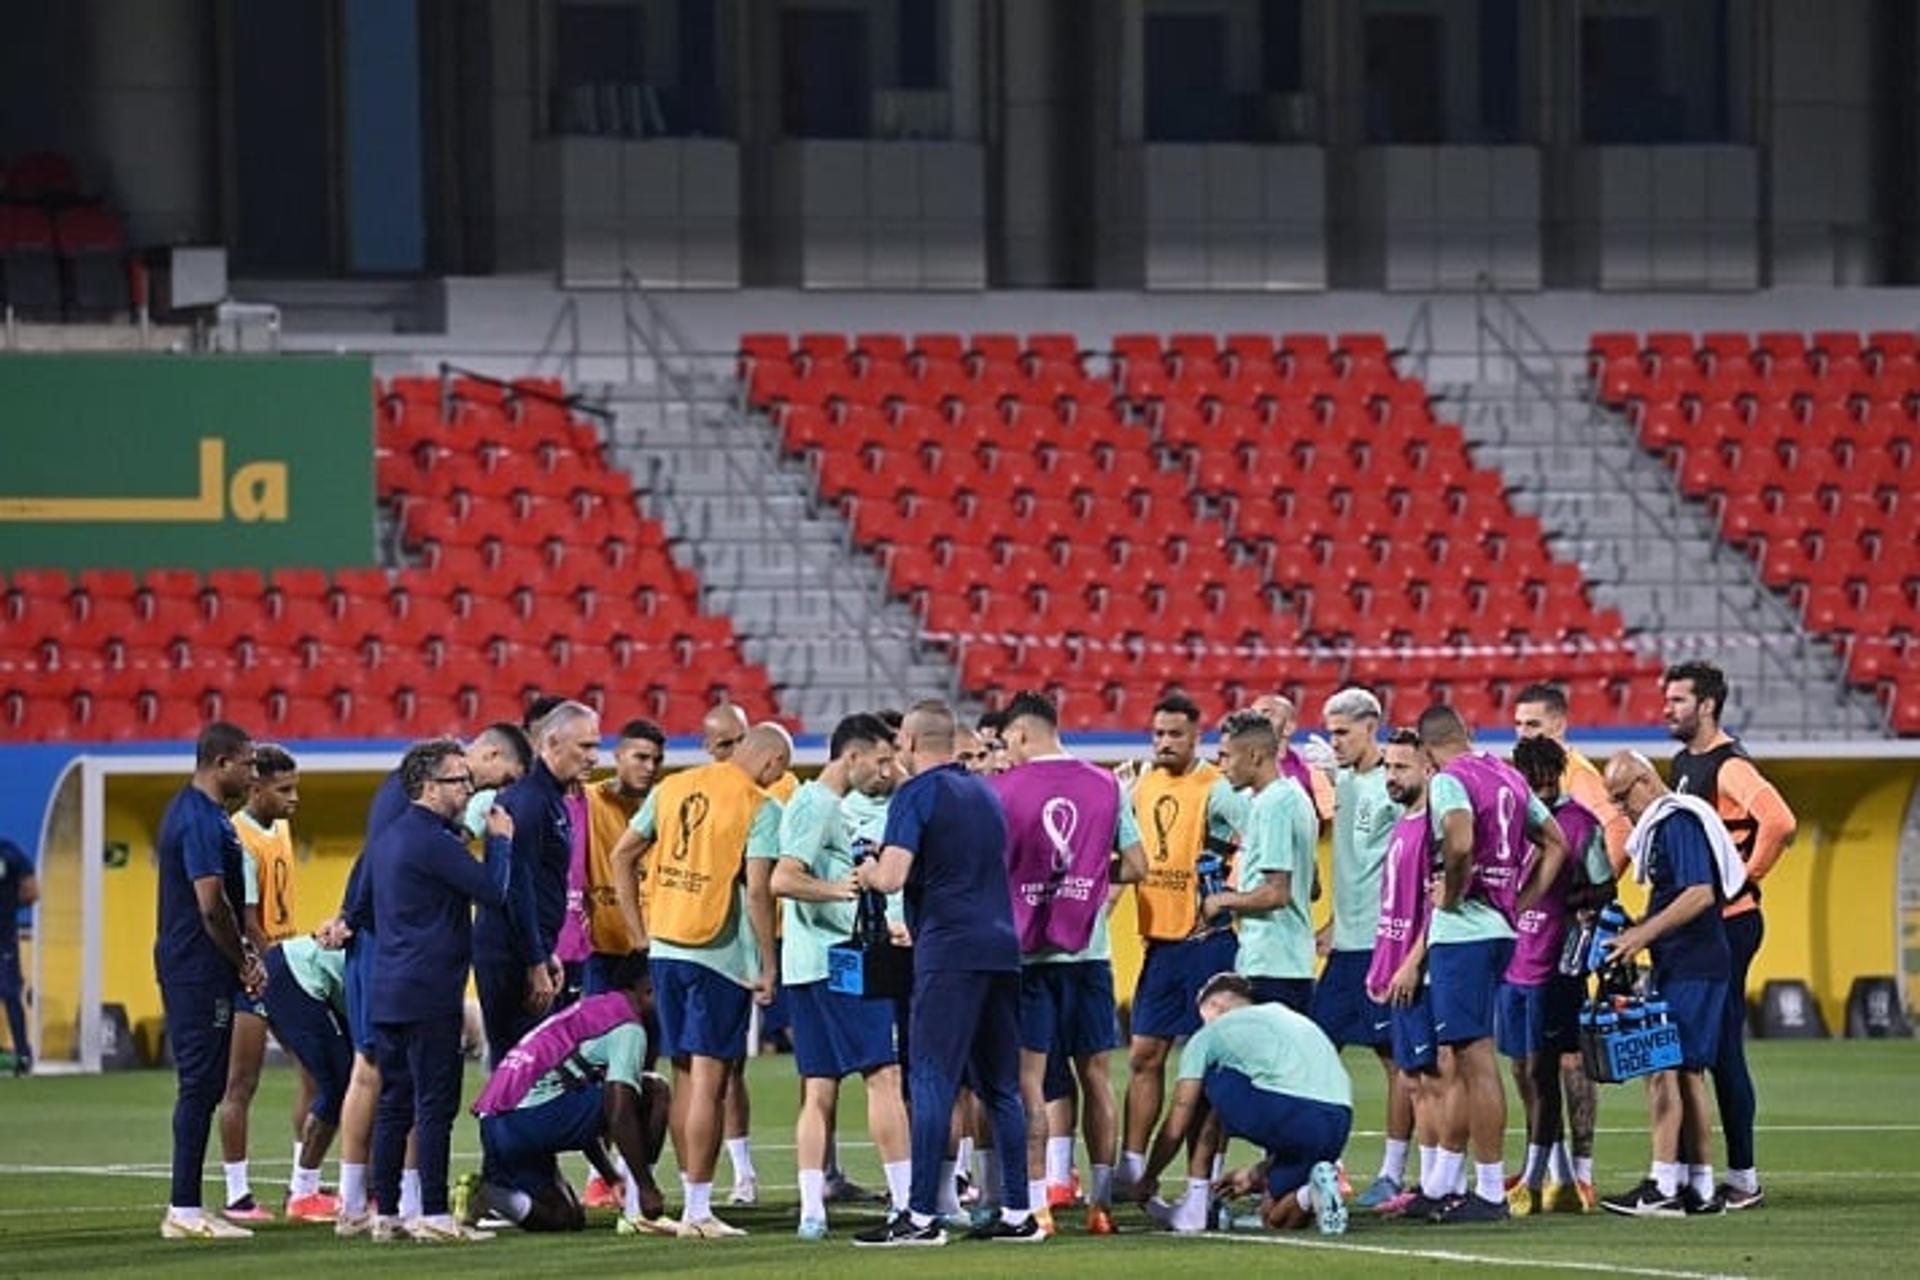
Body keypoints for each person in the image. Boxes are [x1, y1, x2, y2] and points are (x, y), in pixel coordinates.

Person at [849, 700, 1041, 1246]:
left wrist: (866, 868)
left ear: (909, 743)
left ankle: (921, 1216)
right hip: (1001, 950)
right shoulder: (984, 791)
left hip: (949, 952)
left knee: (932, 1079)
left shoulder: (917, 794)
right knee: (1000, 1086)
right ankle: (1017, 1214)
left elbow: (890, 877)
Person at [328, 723, 529, 1234]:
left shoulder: (387, 840)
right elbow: (493, 891)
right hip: (431, 990)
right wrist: (501, 842)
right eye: (458, 781)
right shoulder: (436, 842)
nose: (469, 790)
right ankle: (435, 1214)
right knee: (434, 1104)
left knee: (395, 1104)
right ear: (428, 786)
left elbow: (363, 908)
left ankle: (387, 1213)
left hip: (388, 989)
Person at [609, 723, 790, 1239]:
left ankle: (690, 1200)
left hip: (665, 946)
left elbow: (622, 854)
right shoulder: (762, 807)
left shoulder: (672, 787)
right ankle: (698, 1211)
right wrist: (769, 965)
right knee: (711, 1078)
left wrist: (638, 931)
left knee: (685, 1071)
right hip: (719, 956)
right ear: (773, 763)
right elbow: (758, 892)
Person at [993, 691, 1147, 1238]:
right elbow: (1137, 866)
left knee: (1028, 1082)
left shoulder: (1002, 790)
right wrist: (1084, 877)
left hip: (1029, 956)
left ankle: (1036, 1205)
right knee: (1098, 1077)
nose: (1004, 752)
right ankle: (1100, 1205)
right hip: (1091, 954)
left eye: (1007, 742)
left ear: (1021, 734)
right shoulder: (1107, 785)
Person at [1416, 704, 1569, 1224]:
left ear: (1425, 747)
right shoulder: (1506, 774)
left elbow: (1458, 839)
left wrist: (1454, 895)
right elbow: (1557, 843)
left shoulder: (1449, 780)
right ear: (1466, 731)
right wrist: (1520, 901)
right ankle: (1447, 1185)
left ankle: (1488, 1192)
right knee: (1460, 1059)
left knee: (1476, 1062)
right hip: (1498, 931)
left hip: (1465, 933)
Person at [762, 713, 912, 1239]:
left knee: (819, 1088)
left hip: (812, 966)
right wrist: (844, 892)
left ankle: (811, 1211)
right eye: (881, 759)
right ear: (852, 756)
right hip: (839, 966)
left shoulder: (818, 804)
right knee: (884, 1077)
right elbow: (783, 879)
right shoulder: (819, 804)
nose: (887, 769)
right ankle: (905, 1203)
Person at [1663, 660, 1797, 1210]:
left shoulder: (1728, 765)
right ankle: (1705, 1175)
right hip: (1713, 921)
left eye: (1677, 700)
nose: (1667, 708)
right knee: (1710, 1048)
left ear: (1708, 705)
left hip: (1732, 922)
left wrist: (1741, 880)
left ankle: (1738, 1179)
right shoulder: (1685, 762)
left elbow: (1780, 821)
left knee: (1719, 1049)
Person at [1599, 751, 1746, 1218]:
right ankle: (1698, 1188)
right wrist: (1640, 926)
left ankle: (1663, 1184)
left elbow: (1700, 893)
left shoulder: (1677, 822)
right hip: (1690, 961)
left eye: (1624, 797)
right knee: (1685, 1072)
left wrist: (1643, 933)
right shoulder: (1672, 821)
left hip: (1693, 963)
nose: (1623, 809)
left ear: (1645, 780)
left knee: (1663, 1067)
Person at [1117, 693, 1245, 1214]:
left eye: (1175, 734)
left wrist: (1230, 883)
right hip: (1160, 945)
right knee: (1143, 1056)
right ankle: (1128, 1170)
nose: (1164, 742)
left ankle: (1201, 1181)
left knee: (1208, 1069)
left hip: (1207, 946)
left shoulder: (1216, 787)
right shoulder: (1142, 786)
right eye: (1159, 733)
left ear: (1197, 737)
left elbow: (1256, 836)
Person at [461, 955, 671, 1236]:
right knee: (655, 1091)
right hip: (528, 1117)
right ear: (647, 988)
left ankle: (488, 1195)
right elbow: (619, 1113)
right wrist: (647, 1188)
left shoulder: (593, 1009)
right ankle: (636, 1210)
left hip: (498, 1121)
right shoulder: (627, 1026)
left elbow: (585, 1107)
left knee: (566, 1217)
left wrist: (611, 1177)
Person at [1131, 973, 1352, 1235]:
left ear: (1214, 1007)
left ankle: (1197, 1203)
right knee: (1274, 1217)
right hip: (1338, 1120)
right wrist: (1254, 1174)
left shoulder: (1210, 1034)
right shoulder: (1288, 1016)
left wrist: (1149, 1177)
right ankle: (1313, 1191)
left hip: (1288, 1111)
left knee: (1204, 1079)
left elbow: (1179, 1116)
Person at [156, 721, 265, 1241]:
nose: (253, 772)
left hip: (201, 964)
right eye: (247, 763)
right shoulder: (199, 819)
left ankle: (188, 1205)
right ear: (222, 763)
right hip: (197, 967)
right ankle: (184, 1208)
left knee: (205, 1083)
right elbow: (210, 904)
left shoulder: (202, 813)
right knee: (199, 1085)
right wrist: (243, 958)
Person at [1500, 736, 1615, 1216]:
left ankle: (1535, 1176)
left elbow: (1605, 888)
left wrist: (1565, 908)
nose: (1543, 786)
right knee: (1524, 1070)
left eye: (1550, 776)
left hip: (1557, 964)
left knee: (1550, 1070)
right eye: (1535, 778)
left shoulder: (1580, 824)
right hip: (1511, 962)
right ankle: (1558, 1172)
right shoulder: (1508, 822)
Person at [1309, 688, 1409, 1209]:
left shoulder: (1393, 786)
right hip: (1345, 945)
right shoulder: (1343, 782)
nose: (1335, 742)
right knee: (1316, 1053)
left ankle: (1392, 1172)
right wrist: (1332, 921)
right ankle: (1325, 1163)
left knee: (1396, 1061)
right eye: (1331, 732)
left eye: (1343, 732)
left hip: (1381, 945)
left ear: (1373, 727)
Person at [477, 702, 601, 1068]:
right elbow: (518, 886)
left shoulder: (551, 797)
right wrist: (534, 961)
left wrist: (545, 953)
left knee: (535, 1070)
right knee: (519, 1071)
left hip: (526, 950)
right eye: (585, 746)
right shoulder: (531, 801)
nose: (594, 757)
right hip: (509, 955)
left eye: (595, 745)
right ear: (552, 741)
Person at [578, 717, 666, 1212]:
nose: (648, 768)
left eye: (655, 759)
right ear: (617, 756)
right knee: (599, 1069)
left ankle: (613, 1176)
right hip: (600, 952)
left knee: (642, 1067)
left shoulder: (663, 803)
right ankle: (597, 1174)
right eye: (639, 757)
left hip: (647, 953)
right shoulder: (588, 801)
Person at [219, 745, 303, 1222]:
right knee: (241, 1083)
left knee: (320, 1077)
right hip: (253, 976)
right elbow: (249, 921)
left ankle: (302, 1186)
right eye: (284, 790)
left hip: (284, 965)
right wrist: (275, 966)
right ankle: (237, 1195)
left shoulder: (282, 829)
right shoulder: (237, 838)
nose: (294, 799)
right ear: (255, 788)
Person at [1366, 731, 1447, 1219]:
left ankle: (1438, 1184)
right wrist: (1383, 961)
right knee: (1414, 1081)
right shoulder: (1403, 825)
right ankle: (1428, 1181)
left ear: (1428, 769)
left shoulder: (1435, 829)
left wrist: (1413, 962)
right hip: (1394, 971)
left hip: (1419, 974)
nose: (1392, 777)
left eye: (1402, 767)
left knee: (1432, 1080)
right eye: (1388, 768)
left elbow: (1437, 909)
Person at [697, 700, 769, 1205]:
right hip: (694, 946)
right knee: (691, 1069)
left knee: (730, 1069)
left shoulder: (770, 791)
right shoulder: (691, 794)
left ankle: (743, 1172)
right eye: (724, 744)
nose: (733, 752)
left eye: (740, 741)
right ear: (707, 747)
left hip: (739, 949)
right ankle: (689, 1184)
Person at [1211, 711, 1318, 1013]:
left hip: (1272, 965)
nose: (1222, 767)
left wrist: (1221, 901)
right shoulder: (1295, 796)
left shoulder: (1273, 805)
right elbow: (1313, 885)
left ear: (1255, 755)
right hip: (1290, 962)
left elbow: (1276, 893)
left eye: (1226, 756)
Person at [260, 931, 352, 1223]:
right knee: (339, 1086)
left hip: (290, 968)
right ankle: (303, 1194)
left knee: (341, 1084)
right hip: (294, 975)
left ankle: (306, 1190)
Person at [1513, 683, 1632, 872]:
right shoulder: (1530, 773)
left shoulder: (1576, 773)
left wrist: (1597, 885)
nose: (1522, 733)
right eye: (1518, 724)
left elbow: (1619, 829)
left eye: (1532, 724)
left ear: (1559, 725)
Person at [1250, 694, 1336, 822]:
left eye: (1266, 713)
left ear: (1288, 728)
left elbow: (1332, 823)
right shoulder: (1233, 772)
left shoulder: (1312, 774)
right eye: (1251, 715)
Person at [0, 836, 40, 1076]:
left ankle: (23, 1053)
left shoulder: (9, 853)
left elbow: (33, 890)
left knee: (9, 993)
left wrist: (9, 907)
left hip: (3, 941)